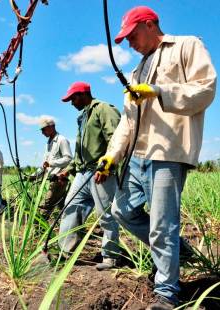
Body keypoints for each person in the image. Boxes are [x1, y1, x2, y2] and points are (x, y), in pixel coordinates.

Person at [98, 6, 216, 309]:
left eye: (132, 35)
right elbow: (128, 120)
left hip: (168, 151)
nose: (129, 43)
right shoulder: (137, 70)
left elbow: (205, 90)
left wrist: (158, 91)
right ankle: (179, 252)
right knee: (122, 210)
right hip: (138, 152)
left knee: (162, 224)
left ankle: (167, 293)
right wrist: (111, 156)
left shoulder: (187, 46)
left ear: (150, 24)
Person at [57, 81, 121, 271]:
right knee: (70, 208)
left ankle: (110, 256)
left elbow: (116, 139)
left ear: (84, 94)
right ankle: (65, 251)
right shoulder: (83, 116)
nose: (71, 103)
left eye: (73, 98)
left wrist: (107, 165)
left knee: (106, 215)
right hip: (83, 172)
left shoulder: (104, 109)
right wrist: (69, 169)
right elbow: (80, 151)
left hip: (101, 171)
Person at [30, 117, 72, 219]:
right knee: (63, 206)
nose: (42, 132)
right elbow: (45, 164)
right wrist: (35, 175)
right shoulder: (48, 143)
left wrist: (51, 163)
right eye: (41, 130)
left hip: (59, 179)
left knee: (45, 206)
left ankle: (38, 230)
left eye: (44, 129)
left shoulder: (62, 140)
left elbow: (68, 159)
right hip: (52, 179)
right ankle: (73, 227)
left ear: (52, 127)